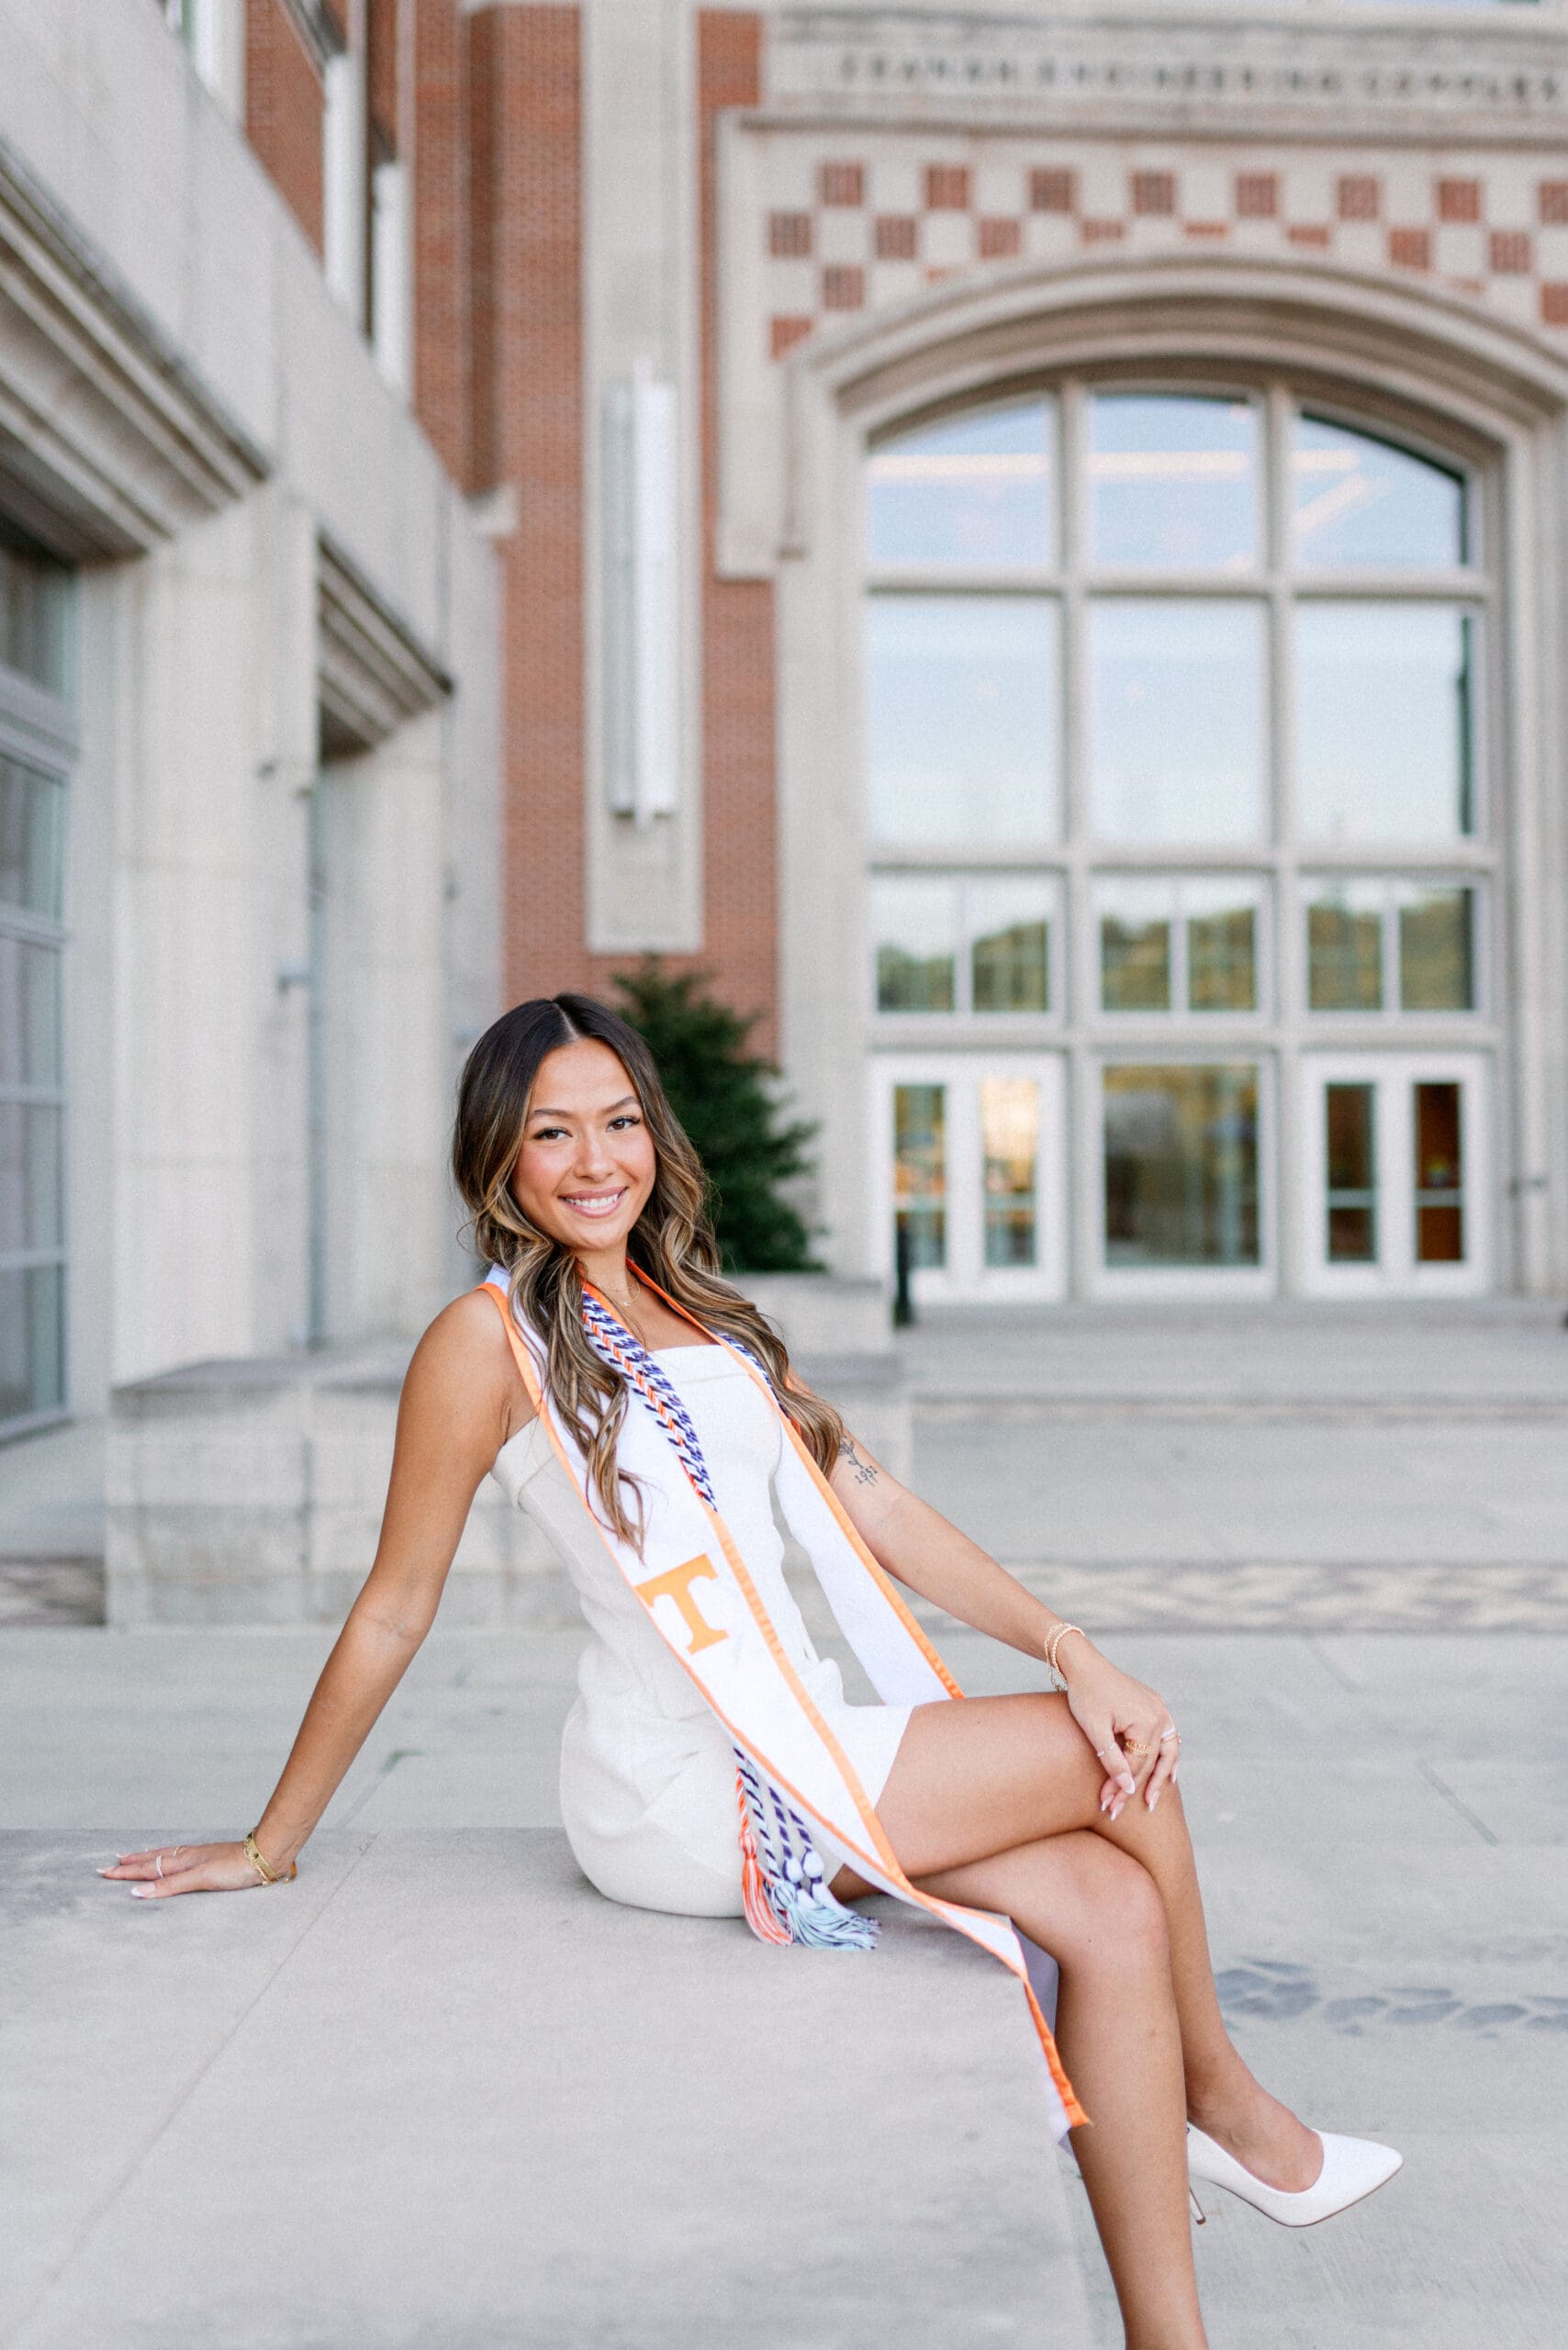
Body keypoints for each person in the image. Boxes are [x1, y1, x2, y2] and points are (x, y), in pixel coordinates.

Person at [100, 994, 1399, 2350]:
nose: (595, 1160)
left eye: (618, 1122)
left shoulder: (698, 1308)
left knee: (1115, 1907)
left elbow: (879, 1506)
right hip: (681, 1785)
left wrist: (1073, 1648)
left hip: (803, 1735)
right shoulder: (485, 1342)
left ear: (654, 1134)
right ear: (498, 1157)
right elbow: (393, 1607)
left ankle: (1168, 2338)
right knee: (1108, 1756)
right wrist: (271, 1844)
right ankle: (1224, 2106)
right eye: (552, 1132)